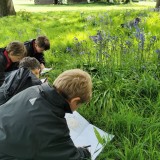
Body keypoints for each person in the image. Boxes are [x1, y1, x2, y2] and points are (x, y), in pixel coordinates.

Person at [0, 69, 92, 160]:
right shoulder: (55, 126)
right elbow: (70, 156)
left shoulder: (33, 89)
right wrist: (85, 152)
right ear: (74, 101)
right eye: (79, 105)